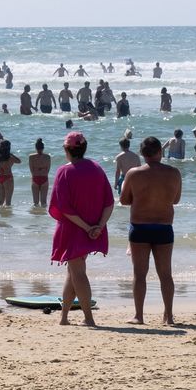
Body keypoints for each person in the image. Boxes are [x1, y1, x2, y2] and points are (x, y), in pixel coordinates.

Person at [48, 131, 114, 327]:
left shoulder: (64, 171)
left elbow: (63, 208)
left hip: (74, 229)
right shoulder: (97, 168)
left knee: (77, 272)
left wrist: (87, 228)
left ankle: (89, 318)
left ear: (67, 150)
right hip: (93, 228)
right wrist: (98, 227)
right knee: (73, 271)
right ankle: (64, 317)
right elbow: (109, 202)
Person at [119, 137, 180, 325]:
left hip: (140, 227)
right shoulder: (174, 173)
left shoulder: (133, 173)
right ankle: (168, 316)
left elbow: (124, 200)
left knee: (139, 274)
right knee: (165, 274)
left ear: (142, 154)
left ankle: (139, 316)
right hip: (164, 227)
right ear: (160, 152)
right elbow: (175, 200)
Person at [0, 140, 21, 206]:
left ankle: (0, 214)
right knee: (8, 202)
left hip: (0, 177)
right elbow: (19, 161)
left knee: (1, 201)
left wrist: (0, 171)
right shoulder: (10, 158)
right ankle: (7, 215)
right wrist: (11, 154)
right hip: (8, 178)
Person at [27, 139, 52, 208]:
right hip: (44, 178)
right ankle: (43, 217)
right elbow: (48, 170)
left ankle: (36, 217)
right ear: (43, 148)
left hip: (35, 178)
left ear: (36, 148)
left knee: (35, 203)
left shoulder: (31, 157)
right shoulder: (47, 157)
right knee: (44, 202)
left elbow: (31, 169)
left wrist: (36, 172)